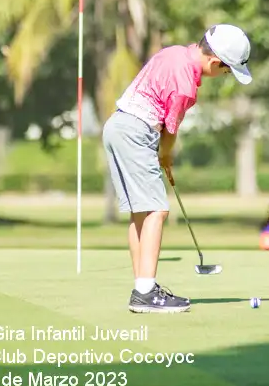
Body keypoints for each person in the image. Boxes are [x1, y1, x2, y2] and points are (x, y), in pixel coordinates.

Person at [103, 24, 253, 313]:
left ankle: (142, 286)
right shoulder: (186, 87)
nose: (224, 75)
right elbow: (170, 130)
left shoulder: (172, 52)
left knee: (141, 212)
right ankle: (145, 293)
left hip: (117, 126)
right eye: (226, 70)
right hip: (136, 133)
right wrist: (166, 156)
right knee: (157, 210)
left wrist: (160, 153)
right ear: (215, 62)